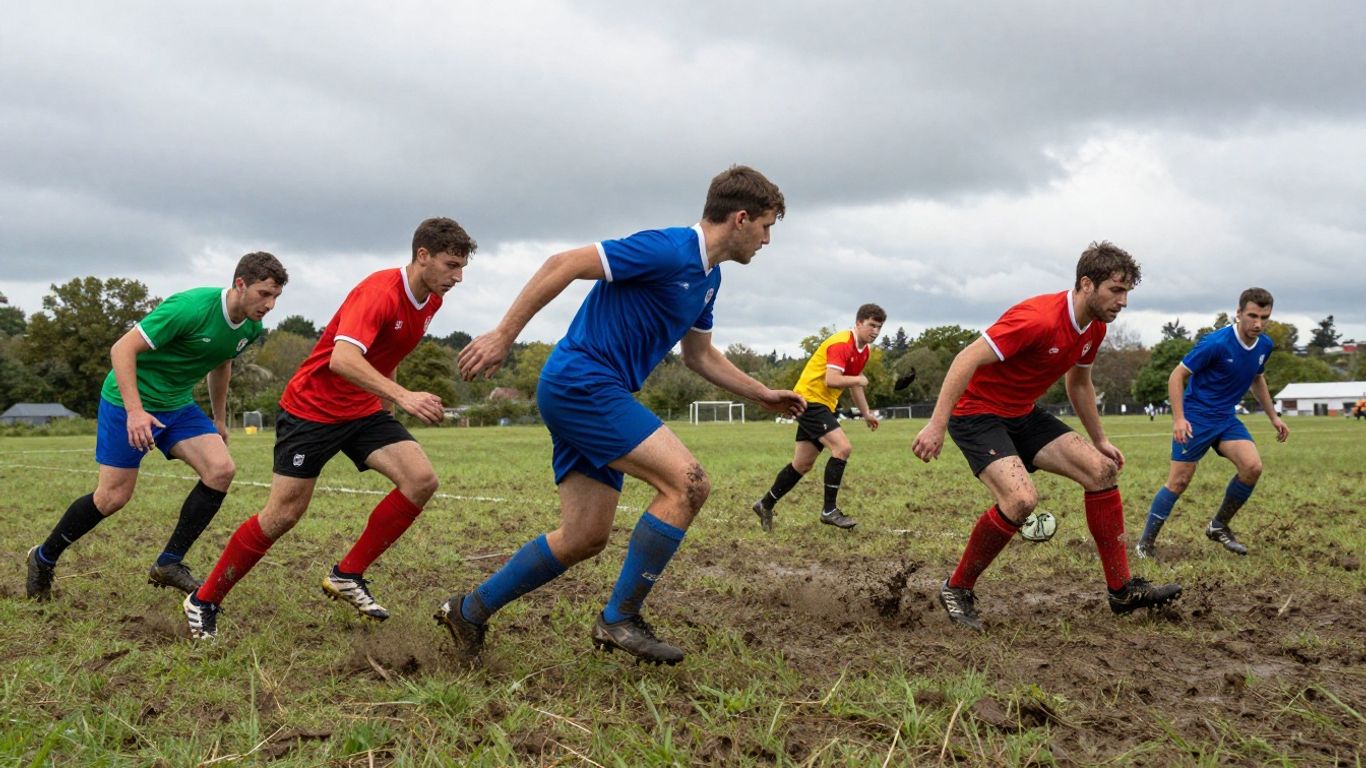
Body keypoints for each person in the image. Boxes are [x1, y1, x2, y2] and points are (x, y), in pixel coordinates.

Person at [438, 166, 804, 665]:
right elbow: (561, 263)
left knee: (584, 536)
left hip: (595, 390)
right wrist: (504, 334)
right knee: (688, 483)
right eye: (766, 227)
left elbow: (700, 356)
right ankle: (619, 619)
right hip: (582, 381)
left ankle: (468, 611)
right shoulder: (669, 248)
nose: (767, 240)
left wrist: (761, 392)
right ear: (741, 218)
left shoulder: (709, 279)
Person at [183, 218, 475, 640]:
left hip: (363, 411)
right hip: (311, 412)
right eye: (451, 265)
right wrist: (405, 395)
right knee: (283, 515)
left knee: (421, 479)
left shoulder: (430, 301)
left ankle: (347, 574)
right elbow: (342, 359)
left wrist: (387, 410)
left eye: (462, 268)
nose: (458, 277)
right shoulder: (377, 292)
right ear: (422, 256)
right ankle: (204, 600)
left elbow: (387, 353)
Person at [911, 241, 1182, 632]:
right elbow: (965, 358)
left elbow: (1080, 385)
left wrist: (1100, 439)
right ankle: (957, 587)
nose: (1123, 301)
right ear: (1087, 284)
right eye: (1116, 290)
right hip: (977, 415)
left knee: (1102, 471)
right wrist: (936, 424)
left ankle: (1122, 590)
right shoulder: (1037, 319)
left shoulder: (1096, 327)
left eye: (1126, 292)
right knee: (1021, 500)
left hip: (1023, 413)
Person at [25, 253, 288, 602]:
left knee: (221, 469)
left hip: (176, 405)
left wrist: (220, 418)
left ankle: (169, 563)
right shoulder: (190, 308)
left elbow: (221, 362)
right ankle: (43, 557)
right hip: (127, 401)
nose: (269, 305)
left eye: (275, 297)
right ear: (240, 284)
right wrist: (135, 411)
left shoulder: (251, 327)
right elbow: (121, 349)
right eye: (263, 294)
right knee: (113, 497)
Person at [1135, 288, 1289, 559]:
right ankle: (1144, 544)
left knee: (1252, 467)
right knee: (1179, 481)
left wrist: (1273, 416)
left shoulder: (1264, 345)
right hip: (1196, 417)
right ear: (1239, 313)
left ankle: (1218, 526)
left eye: (1264, 317)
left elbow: (1257, 378)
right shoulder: (1215, 343)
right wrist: (1179, 419)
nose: (1258, 323)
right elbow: (1176, 376)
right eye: (1252, 316)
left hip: (1226, 419)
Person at [753, 304, 885, 531]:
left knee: (802, 464)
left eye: (879, 327)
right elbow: (832, 380)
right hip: (809, 401)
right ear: (858, 323)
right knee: (842, 448)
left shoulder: (864, 351)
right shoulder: (841, 343)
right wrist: (858, 380)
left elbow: (854, 385)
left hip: (822, 405)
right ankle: (829, 510)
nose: (875, 331)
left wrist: (866, 413)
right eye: (871, 325)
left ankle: (765, 504)